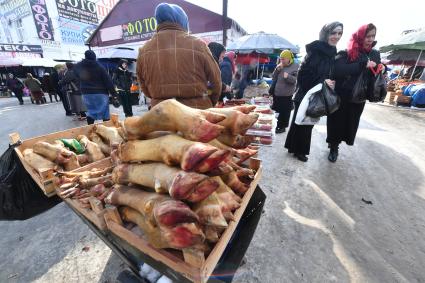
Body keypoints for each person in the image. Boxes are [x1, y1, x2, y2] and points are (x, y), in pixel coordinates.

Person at [137, 3, 222, 109]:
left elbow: (145, 88)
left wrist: (159, 98)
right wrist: (209, 101)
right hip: (198, 114)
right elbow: (216, 83)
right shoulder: (198, 45)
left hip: (161, 115)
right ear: (183, 21)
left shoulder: (144, 50)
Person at [285, 22, 343, 162]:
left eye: (339, 33)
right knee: (305, 122)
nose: (336, 36)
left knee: (301, 122)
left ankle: (293, 147)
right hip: (306, 93)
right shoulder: (317, 50)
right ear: (326, 33)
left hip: (312, 92)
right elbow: (304, 74)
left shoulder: (331, 51)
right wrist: (323, 82)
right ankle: (300, 151)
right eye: (333, 33)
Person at [326, 23, 381, 162]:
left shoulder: (374, 53)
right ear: (360, 36)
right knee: (336, 123)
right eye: (367, 36)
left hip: (359, 96)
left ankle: (337, 143)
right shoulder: (347, 52)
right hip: (342, 94)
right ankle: (333, 147)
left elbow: (377, 70)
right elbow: (338, 70)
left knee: (350, 123)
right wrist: (363, 65)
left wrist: (382, 68)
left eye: (373, 36)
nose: (370, 39)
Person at [74, 50, 117, 125]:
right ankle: (106, 131)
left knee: (90, 112)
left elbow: (76, 75)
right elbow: (108, 81)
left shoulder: (79, 66)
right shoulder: (99, 66)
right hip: (101, 93)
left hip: (86, 93)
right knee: (105, 113)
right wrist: (114, 94)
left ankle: (90, 130)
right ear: (94, 56)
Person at [270, 50, 299, 133]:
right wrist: (277, 70)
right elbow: (273, 77)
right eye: (281, 59)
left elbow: (296, 80)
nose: (281, 60)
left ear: (289, 58)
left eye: (283, 59)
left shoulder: (295, 66)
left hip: (287, 94)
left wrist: (288, 77)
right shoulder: (280, 65)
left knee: (285, 111)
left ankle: (282, 127)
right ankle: (276, 125)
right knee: (276, 110)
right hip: (277, 92)